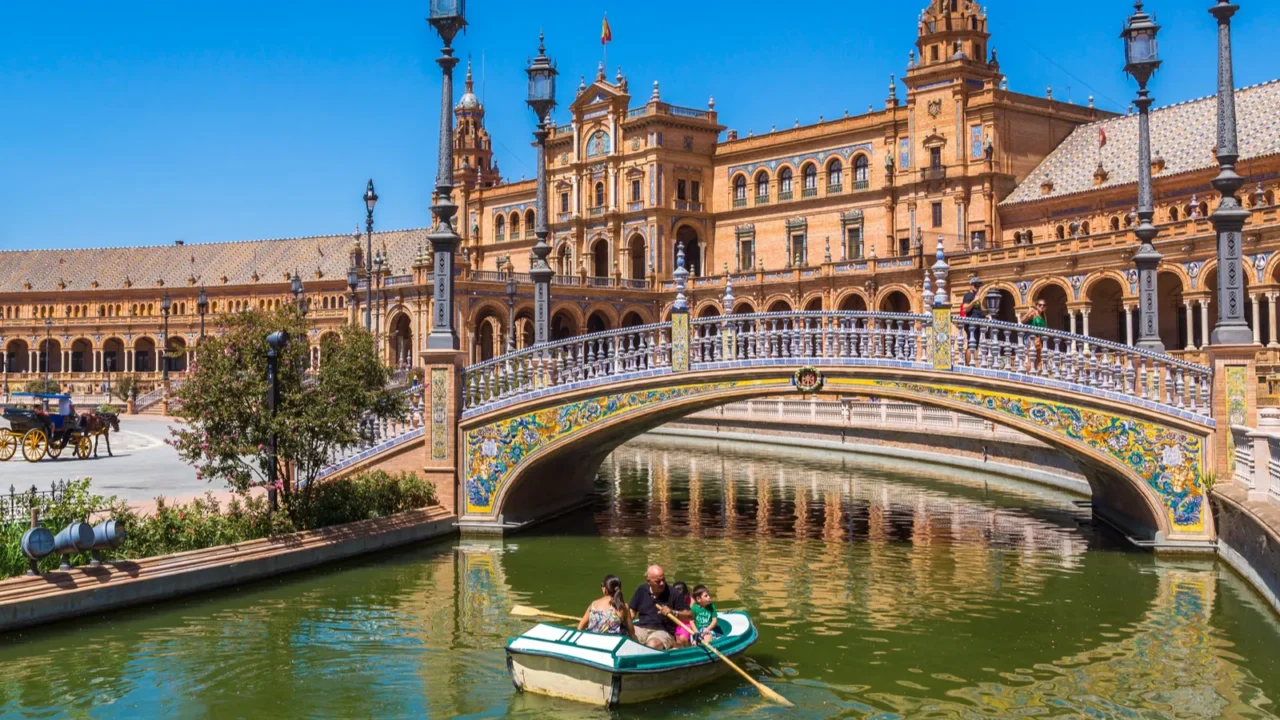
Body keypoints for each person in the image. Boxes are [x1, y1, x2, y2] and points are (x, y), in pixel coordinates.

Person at [628, 564, 691, 650]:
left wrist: (673, 612)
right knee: (622, 634)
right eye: (658, 581)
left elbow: (690, 615)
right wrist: (623, 620)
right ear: (648, 581)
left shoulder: (674, 593)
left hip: (663, 632)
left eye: (663, 580)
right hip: (641, 628)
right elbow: (632, 612)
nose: (662, 584)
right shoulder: (641, 589)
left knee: (652, 645)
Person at [577, 574, 636, 640]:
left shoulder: (593, 604)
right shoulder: (623, 607)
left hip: (592, 640)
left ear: (605, 589)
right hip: (613, 643)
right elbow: (632, 633)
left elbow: (580, 627)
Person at [961, 277, 985, 364]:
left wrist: (986, 314)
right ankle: (968, 364)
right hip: (971, 325)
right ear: (971, 286)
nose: (977, 287)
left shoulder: (976, 297)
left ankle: (972, 363)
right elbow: (965, 308)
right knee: (971, 344)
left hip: (977, 324)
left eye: (978, 286)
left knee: (975, 345)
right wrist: (974, 301)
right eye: (975, 285)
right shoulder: (968, 296)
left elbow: (979, 310)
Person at [1020, 298, 1048, 371]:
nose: (1042, 307)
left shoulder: (1044, 316)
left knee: (1038, 358)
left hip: (1039, 338)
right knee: (1031, 357)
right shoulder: (1034, 313)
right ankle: (1028, 375)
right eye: (1040, 305)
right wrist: (1028, 313)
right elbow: (1022, 320)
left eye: (1044, 305)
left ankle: (1032, 372)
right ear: (1036, 306)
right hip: (1031, 337)